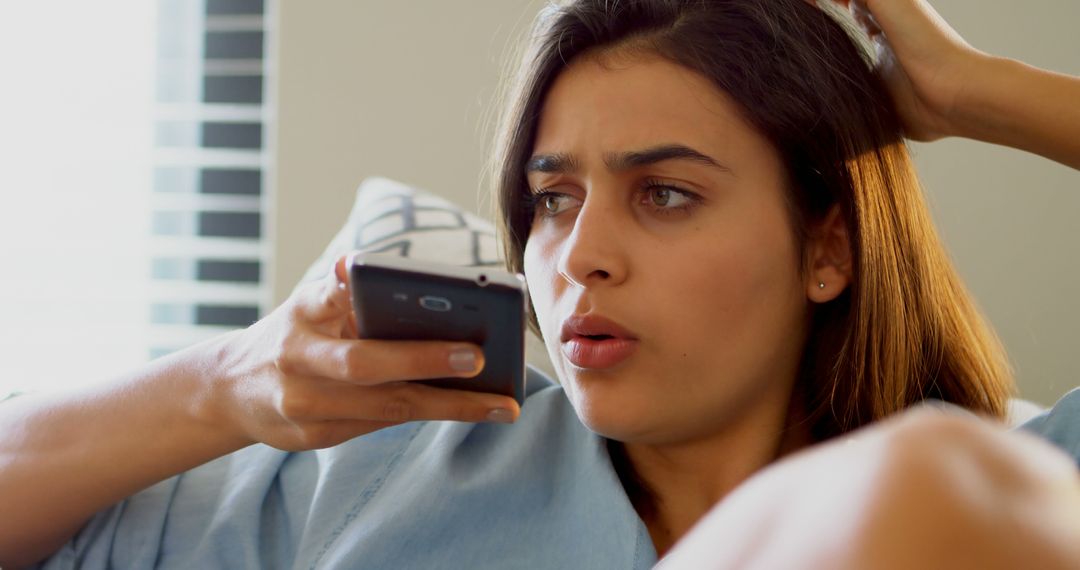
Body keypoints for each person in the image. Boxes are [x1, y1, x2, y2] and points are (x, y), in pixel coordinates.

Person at [1, 0, 1078, 568]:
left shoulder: (1010, 506)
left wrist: (980, 94)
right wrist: (228, 381)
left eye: (665, 194)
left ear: (827, 249)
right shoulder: (398, 472)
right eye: (554, 200)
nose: (579, 255)